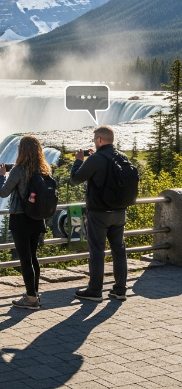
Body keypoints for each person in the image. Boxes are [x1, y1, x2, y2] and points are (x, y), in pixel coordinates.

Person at [70, 126, 128, 302]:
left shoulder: (95, 159)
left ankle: (95, 290)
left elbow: (75, 179)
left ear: (100, 140)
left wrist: (79, 160)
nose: (94, 141)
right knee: (119, 250)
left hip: (99, 213)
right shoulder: (122, 157)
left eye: (95, 139)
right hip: (119, 212)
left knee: (97, 251)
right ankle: (120, 290)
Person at [0, 135, 52, 310]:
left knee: (25, 259)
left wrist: (1, 177)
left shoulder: (18, 170)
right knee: (33, 257)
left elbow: (3, 193)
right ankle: (34, 293)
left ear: (21, 151)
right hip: (37, 218)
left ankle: (30, 298)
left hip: (20, 219)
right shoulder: (44, 169)